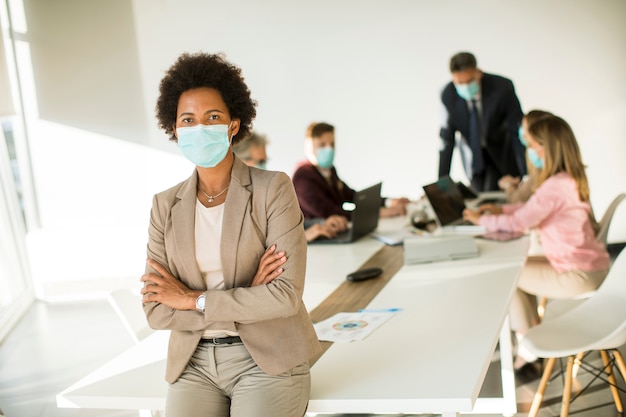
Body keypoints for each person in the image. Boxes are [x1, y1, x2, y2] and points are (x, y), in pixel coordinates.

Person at [140, 52, 321, 417]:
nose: (199, 128)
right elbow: (156, 310)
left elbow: (284, 297)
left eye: (213, 117)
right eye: (188, 120)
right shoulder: (164, 206)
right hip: (193, 364)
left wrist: (193, 300)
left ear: (234, 124)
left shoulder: (273, 189)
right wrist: (251, 296)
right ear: (174, 130)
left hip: (267, 359)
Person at [462, 114, 610, 378]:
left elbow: (520, 222)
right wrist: (499, 208)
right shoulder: (566, 179)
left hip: (577, 275)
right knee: (516, 269)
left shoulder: (555, 185)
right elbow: (529, 209)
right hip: (589, 265)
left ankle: (528, 346)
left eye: (532, 145)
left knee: (509, 275)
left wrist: (481, 219)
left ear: (546, 148)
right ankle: (530, 337)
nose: (528, 151)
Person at [234, 131, 349, 242]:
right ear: (239, 160)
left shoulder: (261, 191)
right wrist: (303, 236)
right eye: (260, 161)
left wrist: (322, 223)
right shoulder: (231, 198)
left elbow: (285, 224)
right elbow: (254, 244)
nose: (263, 166)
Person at [439, 51, 525, 192]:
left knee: (499, 198)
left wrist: (526, 174)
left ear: (478, 73)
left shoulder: (502, 88)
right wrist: (442, 184)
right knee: (478, 198)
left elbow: (517, 132)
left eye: (470, 81)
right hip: (474, 161)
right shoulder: (447, 95)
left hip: (502, 155)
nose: (465, 87)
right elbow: (446, 140)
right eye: (460, 83)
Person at [292, 122, 410, 221]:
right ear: (308, 146)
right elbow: (329, 212)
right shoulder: (302, 177)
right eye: (322, 145)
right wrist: (375, 213)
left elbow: (352, 196)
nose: (329, 149)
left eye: (332, 144)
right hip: (319, 242)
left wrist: (389, 202)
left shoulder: (330, 171)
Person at [497, 110, 553, 203]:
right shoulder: (539, 167)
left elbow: (516, 200)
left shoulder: (542, 171)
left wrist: (509, 186)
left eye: (524, 127)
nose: (522, 132)